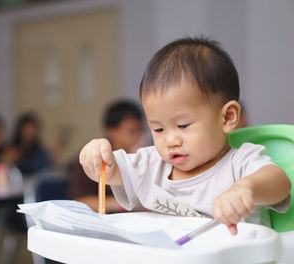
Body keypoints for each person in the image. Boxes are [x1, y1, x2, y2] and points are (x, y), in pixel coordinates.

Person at [79, 37, 291, 235]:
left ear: (227, 117)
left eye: (183, 125)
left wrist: (246, 189)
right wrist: (95, 156)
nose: (170, 140)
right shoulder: (151, 164)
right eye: (158, 129)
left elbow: (280, 184)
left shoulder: (240, 162)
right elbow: (107, 170)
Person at [68, 100, 145, 212]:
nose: (138, 136)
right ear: (112, 131)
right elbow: (80, 201)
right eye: (132, 131)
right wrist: (120, 203)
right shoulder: (93, 156)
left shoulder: (138, 155)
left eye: (141, 130)